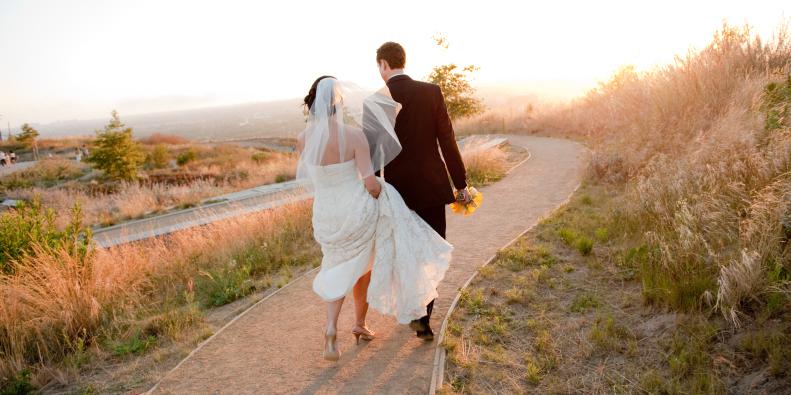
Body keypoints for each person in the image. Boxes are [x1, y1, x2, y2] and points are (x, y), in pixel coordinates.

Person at [299, 76, 452, 361]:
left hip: (326, 214)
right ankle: (360, 323)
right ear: (339, 104)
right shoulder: (354, 136)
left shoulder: (303, 140)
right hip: (354, 211)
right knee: (362, 266)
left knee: (337, 267)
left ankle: (336, 328)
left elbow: (313, 179)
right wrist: (387, 192)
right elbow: (370, 184)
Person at [376, 42, 472, 340]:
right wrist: (461, 184)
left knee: (406, 251)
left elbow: (374, 151)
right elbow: (447, 140)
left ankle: (415, 312)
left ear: (383, 64)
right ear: (403, 61)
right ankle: (424, 317)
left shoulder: (377, 100)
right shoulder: (432, 91)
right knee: (431, 250)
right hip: (431, 185)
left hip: (397, 190)